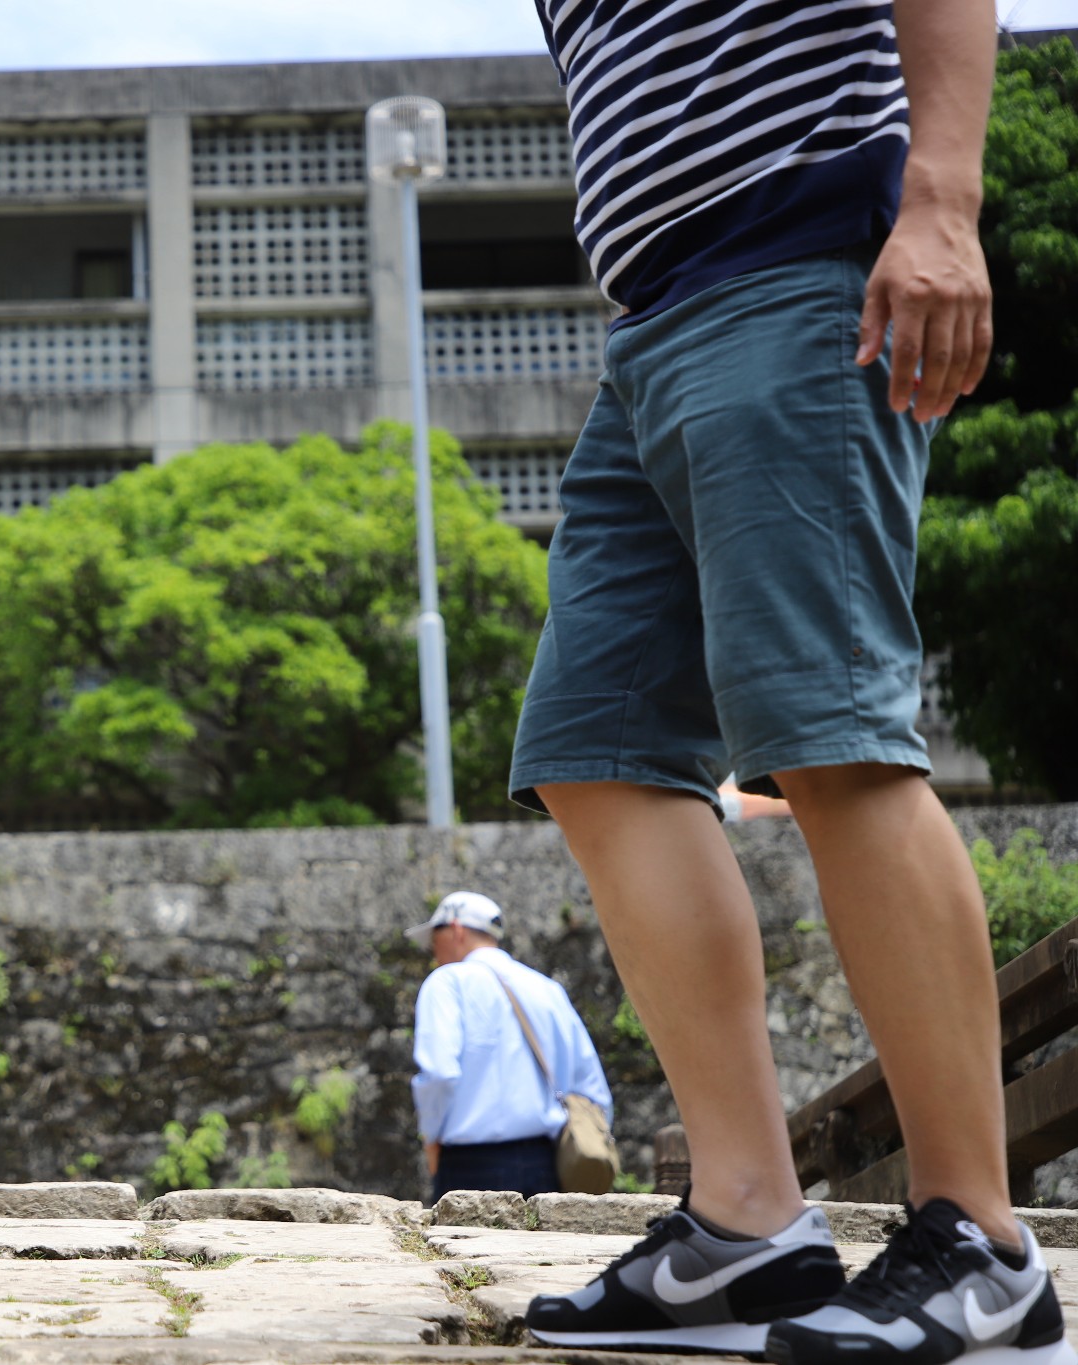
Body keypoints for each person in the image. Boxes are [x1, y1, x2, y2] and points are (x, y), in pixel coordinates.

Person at [508, 3, 1072, 1364]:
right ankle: (748, 1224)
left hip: (805, 262)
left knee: (829, 737)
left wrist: (940, 203)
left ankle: (981, 1243)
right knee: (597, 748)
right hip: (651, 326)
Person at [408, 892, 611, 1202]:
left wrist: (432, 1139)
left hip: (469, 1165)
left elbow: (439, 1073)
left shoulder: (446, 982)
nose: (432, 953)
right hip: (545, 1162)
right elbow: (592, 1088)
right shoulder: (547, 989)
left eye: (434, 941)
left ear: (456, 930)